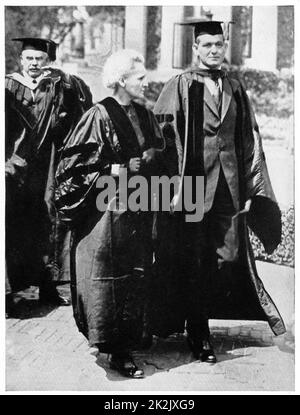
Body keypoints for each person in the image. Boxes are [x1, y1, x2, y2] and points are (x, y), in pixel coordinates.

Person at [152, 20, 286, 363]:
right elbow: (163, 139)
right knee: (194, 258)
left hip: (228, 187)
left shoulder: (234, 87)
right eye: (207, 45)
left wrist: (247, 187)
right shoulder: (180, 84)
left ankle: (200, 320)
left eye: (219, 44)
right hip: (193, 187)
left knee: (226, 258)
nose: (214, 50)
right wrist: (172, 188)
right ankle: (199, 333)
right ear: (195, 48)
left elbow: (246, 138)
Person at [55, 49, 166, 378]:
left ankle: (126, 343)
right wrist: (118, 167)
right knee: (109, 280)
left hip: (138, 208)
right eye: (140, 78)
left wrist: (151, 159)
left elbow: (159, 152)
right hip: (105, 213)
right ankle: (116, 349)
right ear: (121, 80)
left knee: (135, 274)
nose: (145, 83)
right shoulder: (98, 115)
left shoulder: (144, 114)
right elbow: (73, 166)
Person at [5, 37, 93, 312]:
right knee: (15, 225)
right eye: (29, 59)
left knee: (49, 223)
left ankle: (48, 286)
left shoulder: (58, 85)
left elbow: (76, 117)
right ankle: (12, 290)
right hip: (15, 167)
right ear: (21, 60)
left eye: (39, 59)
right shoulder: (7, 85)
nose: (33, 64)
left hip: (48, 166)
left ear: (47, 61)